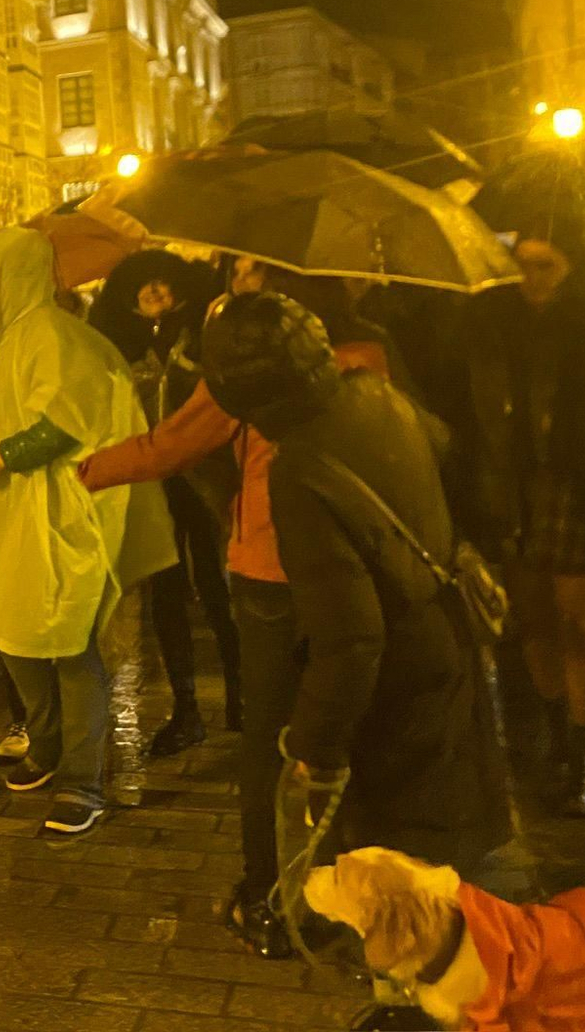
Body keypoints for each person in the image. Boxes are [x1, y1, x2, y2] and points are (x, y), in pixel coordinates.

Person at [79, 253, 405, 957]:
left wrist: (83, 472)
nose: (238, 281)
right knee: (345, 724)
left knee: (271, 739)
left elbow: (171, 444)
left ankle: (271, 894)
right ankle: (350, 881)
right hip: (358, 563)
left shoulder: (252, 357)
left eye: (252, 270)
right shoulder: (369, 353)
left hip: (270, 569)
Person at [201, 292, 509, 881]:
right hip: (446, 641)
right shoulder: (373, 392)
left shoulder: (300, 469)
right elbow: (449, 462)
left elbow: (351, 637)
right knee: (445, 849)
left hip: (397, 687)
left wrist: (313, 747)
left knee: (399, 875)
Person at [0, 226, 177, 838]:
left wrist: (5, 453)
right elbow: (0, 397)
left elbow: (68, 416)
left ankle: (83, 780)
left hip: (60, 517)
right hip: (16, 517)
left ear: (12, 277)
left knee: (67, 641)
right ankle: (49, 740)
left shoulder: (56, 336)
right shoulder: (14, 338)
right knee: (13, 633)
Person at [449, 232, 585, 818]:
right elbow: (470, 408)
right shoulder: (491, 322)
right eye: (522, 264)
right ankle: (554, 732)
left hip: (578, 484)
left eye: (544, 265)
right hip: (514, 486)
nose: (532, 276)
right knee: (532, 620)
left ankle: (584, 749)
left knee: (577, 619)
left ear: (567, 266)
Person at [88, 253, 240, 757]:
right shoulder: (114, 342)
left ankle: (240, 694)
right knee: (167, 596)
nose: (153, 290)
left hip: (205, 479)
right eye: (143, 284)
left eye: (162, 282)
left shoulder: (201, 332)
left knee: (219, 589)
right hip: (151, 483)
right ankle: (186, 708)